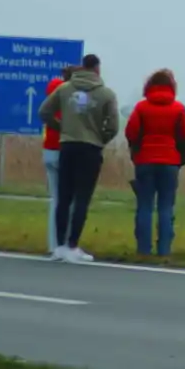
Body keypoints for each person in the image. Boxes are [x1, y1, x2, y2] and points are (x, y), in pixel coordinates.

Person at [38, 53, 120, 264]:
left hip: (67, 145)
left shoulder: (64, 89)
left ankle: (59, 247)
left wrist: (62, 127)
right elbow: (113, 126)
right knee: (82, 198)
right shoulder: (106, 94)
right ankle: (73, 245)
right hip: (90, 149)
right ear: (97, 69)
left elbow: (44, 111)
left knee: (63, 197)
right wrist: (101, 138)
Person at [124, 68, 185, 256]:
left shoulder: (141, 108)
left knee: (145, 206)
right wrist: (181, 158)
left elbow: (131, 132)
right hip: (170, 162)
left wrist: (136, 153)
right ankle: (164, 250)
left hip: (145, 160)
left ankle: (144, 249)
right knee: (165, 207)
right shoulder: (179, 109)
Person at [40, 65, 76, 255]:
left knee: (56, 199)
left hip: (49, 148)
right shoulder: (72, 95)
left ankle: (53, 244)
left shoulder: (53, 91)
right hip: (65, 149)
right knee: (68, 201)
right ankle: (65, 243)